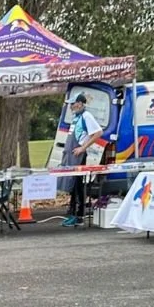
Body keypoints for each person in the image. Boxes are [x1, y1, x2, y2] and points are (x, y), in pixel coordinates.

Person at [62, 93, 103, 227]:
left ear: (79, 103)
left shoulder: (86, 116)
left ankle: (79, 216)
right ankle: (73, 213)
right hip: (71, 155)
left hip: (78, 156)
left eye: (73, 103)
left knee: (78, 185)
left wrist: (83, 148)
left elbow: (98, 133)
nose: (71, 106)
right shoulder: (76, 117)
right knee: (72, 185)